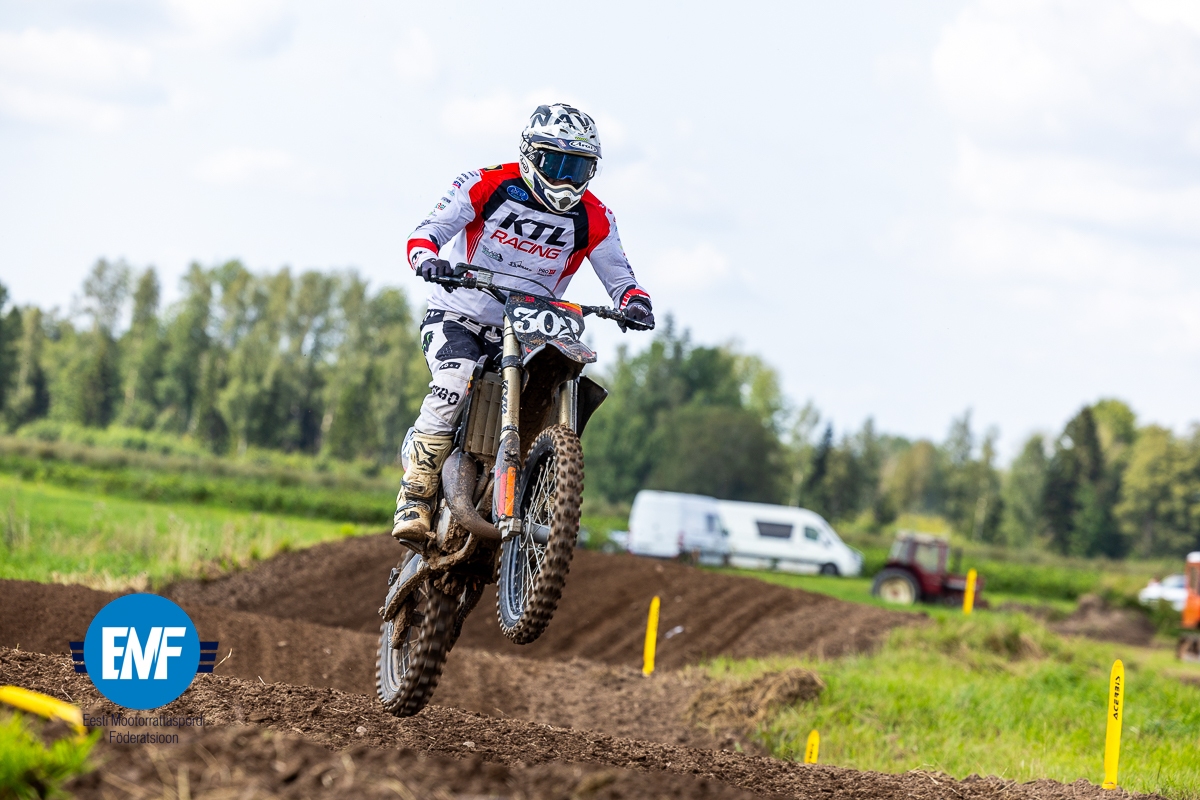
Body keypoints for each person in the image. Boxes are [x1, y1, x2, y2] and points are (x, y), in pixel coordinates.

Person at [393, 103, 655, 541]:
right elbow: (426, 233)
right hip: (458, 316)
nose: (566, 179)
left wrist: (635, 302)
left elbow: (621, 278)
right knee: (456, 376)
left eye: (578, 167)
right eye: (557, 164)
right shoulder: (486, 184)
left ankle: (543, 489)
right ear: (532, 155)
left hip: (530, 327)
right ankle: (415, 495)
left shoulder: (595, 216)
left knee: (556, 385)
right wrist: (428, 259)